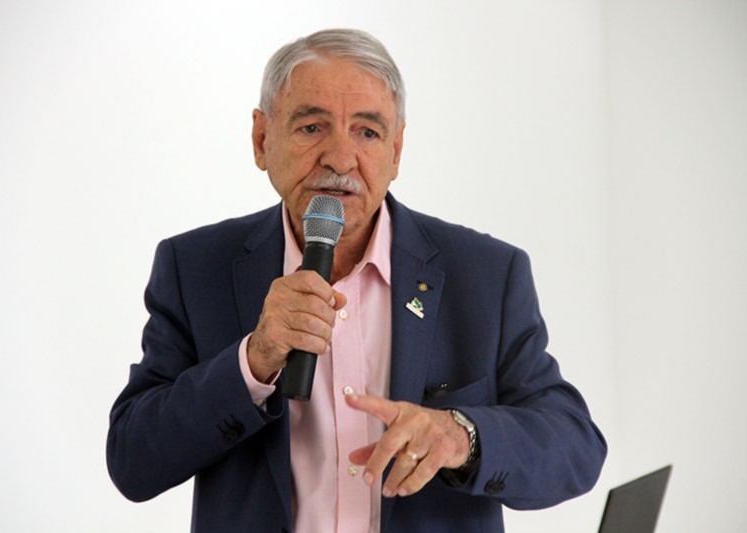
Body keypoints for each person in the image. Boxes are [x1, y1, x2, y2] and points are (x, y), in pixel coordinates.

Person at [107, 28, 606, 532]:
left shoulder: (486, 274)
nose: (340, 159)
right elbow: (133, 460)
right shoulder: (195, 268)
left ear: (396, 150)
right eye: (311, 128)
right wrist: (252, 362)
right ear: (262, 139)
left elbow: (575, 447)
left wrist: (462, 435)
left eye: (367, 132)